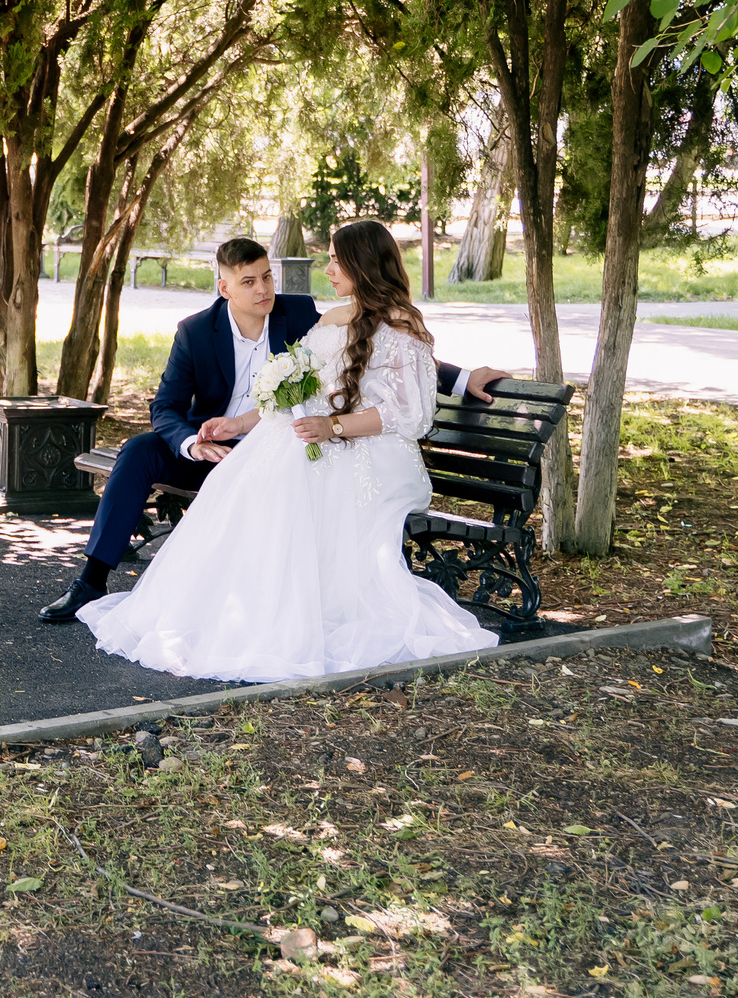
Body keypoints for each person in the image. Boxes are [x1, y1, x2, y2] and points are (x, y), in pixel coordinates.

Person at [70, 220, 502, 682]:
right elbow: (181, 405)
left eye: (267, 278)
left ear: (360, 264)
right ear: (225, 289)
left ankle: (277, 610)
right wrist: (224, 429)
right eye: (249, 282)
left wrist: (460, 378)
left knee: (280, 479)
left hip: (343, 444)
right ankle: (109, 582)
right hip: (256, 440)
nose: (264, 289)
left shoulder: (306, 313)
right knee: (159, 456)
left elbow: (403, 376)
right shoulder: (201, 331)